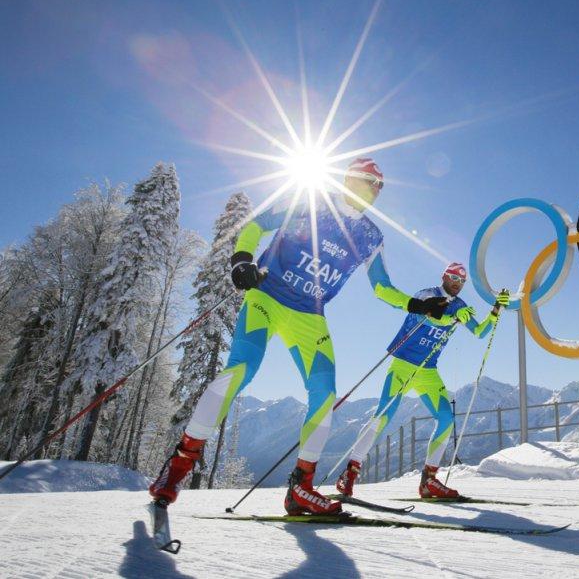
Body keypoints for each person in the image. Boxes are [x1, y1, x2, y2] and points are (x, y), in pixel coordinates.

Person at [149, 157, 449, 515]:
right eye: (365, 180)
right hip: (267, 296)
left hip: (310, 315)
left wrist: (416, 305)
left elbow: (382, 287)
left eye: (378, 186)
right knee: (242, 370)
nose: (371, 189)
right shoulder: (310, 202)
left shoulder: (371, 236)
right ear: (347, 179)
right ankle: (178, 467)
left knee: (325, 394)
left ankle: (301, 488)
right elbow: (257, 224)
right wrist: (242, 259)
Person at [335, 263, 508, 499]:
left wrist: (496, 309)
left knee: (446, 418)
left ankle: (429, 481)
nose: (457, 283)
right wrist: (451, 317)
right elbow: (428, 318)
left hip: (428, 369)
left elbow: (480, 332)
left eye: (461, 281)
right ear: (444, 277)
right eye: (453, 278)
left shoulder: (460, 306)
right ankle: (350, 473)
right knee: (383, 416)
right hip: (403, 364)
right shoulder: (427, 295)